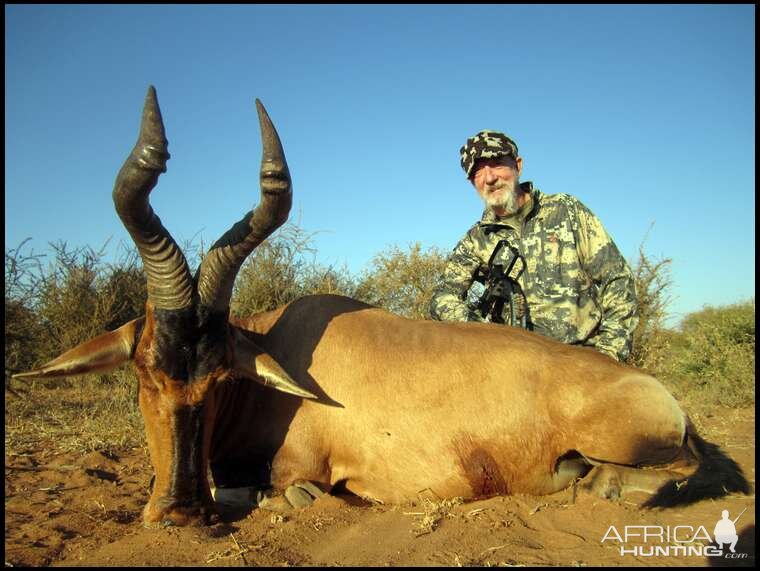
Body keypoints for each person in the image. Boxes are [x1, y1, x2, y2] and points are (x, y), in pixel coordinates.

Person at [429, 130, 638, 362]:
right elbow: (442, 297)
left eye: (497, 164)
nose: (489, 178)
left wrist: (609, 356)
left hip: (583, 362)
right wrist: (485, 334)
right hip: (517, 368)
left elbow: (617, 279)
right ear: (472, 182)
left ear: (518, 165)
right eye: (478, 171)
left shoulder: (567, 210)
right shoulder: (476, 239)